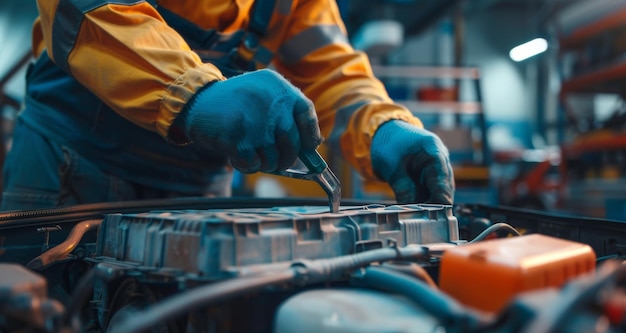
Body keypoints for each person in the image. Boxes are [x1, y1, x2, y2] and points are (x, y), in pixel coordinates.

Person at [1, 0, 454, 211]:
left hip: (194, 197)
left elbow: (332, 71)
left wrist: (384, 126)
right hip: (67, 171)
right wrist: (192, 92)